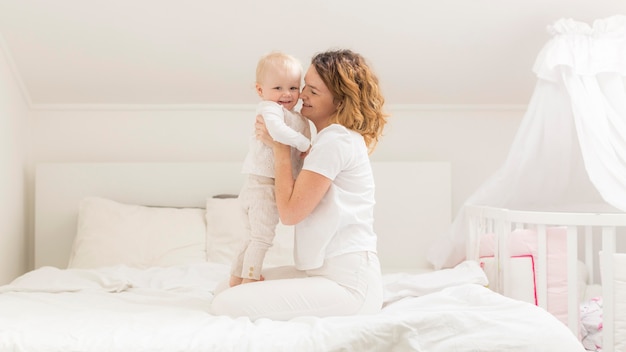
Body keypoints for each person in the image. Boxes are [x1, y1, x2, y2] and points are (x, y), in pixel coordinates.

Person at [211, 49, 389, 321]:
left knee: (225, 304)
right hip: (321, 274)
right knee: (225, 289)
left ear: (339, 101)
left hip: (348, 284)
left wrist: (279, 147)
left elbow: (290, 213)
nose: (301, 94)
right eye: (304, 85)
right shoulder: (328, 140)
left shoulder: (336, 141)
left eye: (313, 91)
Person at [229, 51, 311, 287]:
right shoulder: (269, 109)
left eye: (293, 88)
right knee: (262, 238)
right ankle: (250, 279)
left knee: (252, 238)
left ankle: (235, 281)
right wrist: (305, 144)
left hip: (261, 186)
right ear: (260, 90)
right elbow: (276, 131)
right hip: (263, 186)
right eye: (278, 88)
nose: (286, 94)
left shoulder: (295, 117)